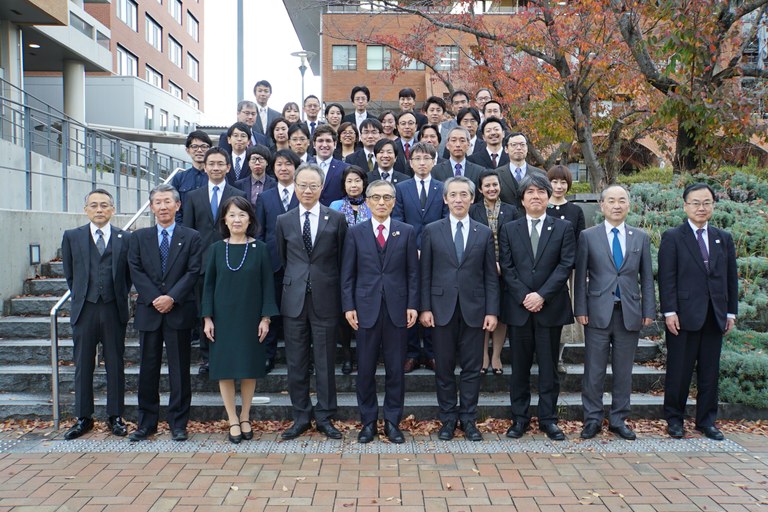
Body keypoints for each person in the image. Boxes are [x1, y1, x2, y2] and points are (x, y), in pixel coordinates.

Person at [420, 176, 499, 442]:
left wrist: (492, 311)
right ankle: (448, 419)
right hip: (441, 309)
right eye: (452, 195)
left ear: (472, 198)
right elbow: (425, 272)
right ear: (445, 199)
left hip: (475, 310)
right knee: (443, 368)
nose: (458, 199)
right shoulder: (432, 230)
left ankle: (468, 419)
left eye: (463, 194)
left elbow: (490, 276)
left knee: (471, 367)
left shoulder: (483, 232)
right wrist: (425, 308)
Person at [575, 185, 655, 440]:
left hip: (629, 312)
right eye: (611, 201)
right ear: (602, 205)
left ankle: (620, 419)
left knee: (623, 370)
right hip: (597, 312)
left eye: (622, 201)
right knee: (594, 370)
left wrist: (649, 309)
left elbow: (647, 277)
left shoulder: (639, 237)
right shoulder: (588, 236)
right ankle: (592, 419)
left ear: (629, 205)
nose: (617, 205)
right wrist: (580, 309)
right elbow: (580, 276)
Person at [341, 180, 419, 444]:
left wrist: (412, 305)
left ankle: (393, 422)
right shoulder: (355, 232)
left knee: (396, 368)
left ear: (394, 202)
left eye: (387, 197)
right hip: (365, 309)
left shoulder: (406, 231)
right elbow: (348, 274)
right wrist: (349, 306)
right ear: (368, 201)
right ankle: (369, 421)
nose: (382, 202)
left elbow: (412, 273)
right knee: (365, 368)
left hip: (397, 309)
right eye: (376, 197)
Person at [659, 183, 738, 441]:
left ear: (713, 205)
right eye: (695, 202)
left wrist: (730, 313)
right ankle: (674, 419)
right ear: (685, 206)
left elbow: (730, 278)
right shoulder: (673, 237)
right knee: (679, 372)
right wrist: (669, 311)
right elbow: (667, 278)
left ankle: (706, 421)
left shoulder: (722, 238)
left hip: (715, 315)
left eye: (706, 202)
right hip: (683, 316)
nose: (701, 208)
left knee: (709, 373)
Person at [499, 173, 575, 441]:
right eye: (530, 192)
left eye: (541, 192)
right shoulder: (509, 228)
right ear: (521, 199)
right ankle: (519, 419)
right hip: (519, 309)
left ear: (548, 196)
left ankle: (548, 419)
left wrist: (541, 295)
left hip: (550, 307)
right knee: (519, 367)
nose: (536, 196)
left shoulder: (563, 228)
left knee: (548, 368)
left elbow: (565, 265)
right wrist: (525, 296)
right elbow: (506, 267)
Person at [276, 163, 348, 440]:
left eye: (313, 185)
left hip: (326, 299)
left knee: (325, 360)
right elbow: (284, 260)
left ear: (321, 188)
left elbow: (342, 260)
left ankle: (326, 416)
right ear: (295, 187)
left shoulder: (336, 219)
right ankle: (301, 416)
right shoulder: (284, 220)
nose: (307, 190)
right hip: (294, 300)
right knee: (296, 362)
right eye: (302, 185)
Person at [128, 184, 202, 442]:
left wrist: (171, 297)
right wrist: (155, 298)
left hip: (178, 310)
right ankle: (146, 422)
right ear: (151, 207)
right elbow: (135, 269)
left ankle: (178, 423)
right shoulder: (138, 237)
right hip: (149, 311)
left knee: (179, 370)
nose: (163, 206)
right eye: (157, 202)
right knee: (148, 368)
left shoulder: (191, 236)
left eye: (167, 202)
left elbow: (193, 271)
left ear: (177, 205)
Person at [202, 196, 279, 444]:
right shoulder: (215, 249)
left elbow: (268, 285)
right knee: (224, 370)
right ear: (225, 219)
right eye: (232, 214)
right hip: (222, 319)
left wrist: (265, 318)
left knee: (249, 369)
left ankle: (245, 416)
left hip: (250, 317)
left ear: (250, 219)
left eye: (242, 215)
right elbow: (208, 286)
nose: (237, 219)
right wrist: (207, 318)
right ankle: (232, 418)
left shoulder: (260, 248)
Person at [61, 189, 132, 440]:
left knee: (115, 363)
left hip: (113, 308)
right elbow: (70, 275)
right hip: (85, 308)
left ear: (113, 209)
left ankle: (115, 416)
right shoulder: (72, 237)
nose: (99, 209)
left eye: (104, 205)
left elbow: (128, 276)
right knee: (82, 364)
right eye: (94, 205)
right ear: (86, 210)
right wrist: (84, 294)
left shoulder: (126, 237)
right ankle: (84, 417)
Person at [184, 148, 247, 374]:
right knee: (205, 311)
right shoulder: (193, 196)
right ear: (205, 166)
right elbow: (189, 232)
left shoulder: (238, 194)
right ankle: (207, 357)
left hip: (231, 261)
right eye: (212, 164)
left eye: (221, 164)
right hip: (201, 264)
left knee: (231, 312)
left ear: (228, 167)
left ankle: (231, 354)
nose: (216, 168)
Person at [393, 142, 449, 372]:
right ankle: (412, 352)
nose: (422, 162)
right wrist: (411, 247)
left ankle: (432, 353)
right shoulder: (401, 188)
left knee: (432, 303)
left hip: (437, 254)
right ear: (410, 162)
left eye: (427, 158)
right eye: (417, 158)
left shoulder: (442, 187)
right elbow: (398, 219)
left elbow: (446, 219)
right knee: (410, 301)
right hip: (408, 254)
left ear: (434, 161)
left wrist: (430, 248)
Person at [255, 149, 301, 373]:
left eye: (288, 164)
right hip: (272, 262)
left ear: (295, 168)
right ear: (273, 169)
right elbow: (260, 233)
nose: (283, 168)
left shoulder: (303, 194)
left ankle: (301, 359)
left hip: (298, 263)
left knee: (298, 313)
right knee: (270, 310)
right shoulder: (265, 197)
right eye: (279, 164)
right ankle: (267, 355)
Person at [469, 170, 518, 376]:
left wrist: (502, 265)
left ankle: (496, 355)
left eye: (495, 185)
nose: (491, 189)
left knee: (500, 312)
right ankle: (483, 356)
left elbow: (516, 241)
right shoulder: (473, 210)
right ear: (480, 189)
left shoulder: (511, 210)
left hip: (505, 268)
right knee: (482, 312)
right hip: (478, 268)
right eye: (487, 186)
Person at [330, 165, 372, 374]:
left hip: (369, 267)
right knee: (344, 313)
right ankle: (347, 356)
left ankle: (365, 356)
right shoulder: (335, 206)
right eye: (349, 181)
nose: (353, 185)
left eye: (357, 180)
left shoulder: (373, 204)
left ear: (364, 183)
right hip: (341, 265)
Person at [546, 165, 586, 372]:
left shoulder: (575, 210)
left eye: (563, 182)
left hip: (566, 271)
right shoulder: (540, 206)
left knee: (563, 317)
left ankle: (558, 358)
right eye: (554, 181)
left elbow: (580, 241)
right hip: (542, 270)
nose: (558, 186)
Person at [172, 130, 212, 224]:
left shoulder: (216, 177)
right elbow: (175, 206)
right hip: (185, 230)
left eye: (204, 146)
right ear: (187, 150)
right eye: (194, 146)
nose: (199, 150)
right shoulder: (179, 178)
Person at [497, 132, 546, 208]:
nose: (519, 148)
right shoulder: (497, 174)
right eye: (514, 145)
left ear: (527, 148)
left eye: (522, 144)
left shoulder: (540, 174)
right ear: (506, 149)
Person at [309, 124, 349, 206]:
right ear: (314, 144)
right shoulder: (305, 168)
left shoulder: (345, 169)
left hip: (336, 215)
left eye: (328, 141)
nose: (324, 145)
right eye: (320, 141)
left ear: (334, 144)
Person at [235, 144, 276, 209]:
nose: (257, 162)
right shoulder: (239, 185)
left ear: (267, 162)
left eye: (261, 159)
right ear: (248, 163)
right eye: (253, 159)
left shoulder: (275, 184)